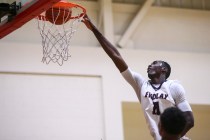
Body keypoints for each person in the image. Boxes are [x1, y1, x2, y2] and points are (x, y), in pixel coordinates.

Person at [82, 14, 194, 140]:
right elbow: (116, 56)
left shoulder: (174, 87)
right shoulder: (141, 84)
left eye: (155, 63)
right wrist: (94, 29)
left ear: (164, 69)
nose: (150, 65)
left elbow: (190, 120)